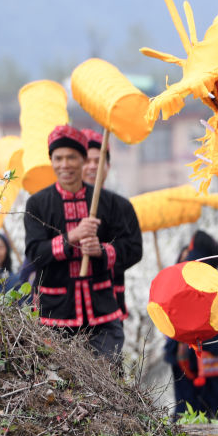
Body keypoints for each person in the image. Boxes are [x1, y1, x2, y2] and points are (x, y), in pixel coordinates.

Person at [23, 125, 136, 363]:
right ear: (51, 161)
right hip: (55, 316)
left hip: (102, 314)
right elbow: (35, 255)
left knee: (106, 380)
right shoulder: (37, 204)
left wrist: (102, 251)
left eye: (72, 157)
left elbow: (132, 248)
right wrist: (70, 238)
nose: (65, 164)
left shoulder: (110, 203)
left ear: (83, 160)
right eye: (58, 158)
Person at [162, 230, 218, 422]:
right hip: (207, 348)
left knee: (185, 403)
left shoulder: (177, 275)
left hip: (180, 346)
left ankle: (183, 435)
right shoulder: (209, 278)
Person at [81, 128, 143, 317]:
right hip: (67, 305)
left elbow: (134, 250)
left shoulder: (121, 206)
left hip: (109, 302)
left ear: (107, 166)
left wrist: (102, 251)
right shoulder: (57, 203)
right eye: (86, 161)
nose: (93, 166)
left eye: (98, 161)